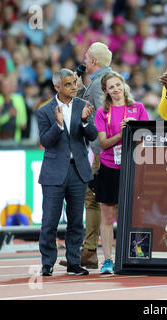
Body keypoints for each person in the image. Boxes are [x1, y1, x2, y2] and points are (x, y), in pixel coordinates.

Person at [37, 68, 97, 276]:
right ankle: (47, 262)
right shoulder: (44, 111)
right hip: (53, 172)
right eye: (69, 84)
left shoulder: (84, 106)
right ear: (57, 87)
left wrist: (85, 121)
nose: (74, 87)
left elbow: (93, 135)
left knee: (75, 221)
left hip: (78, 172)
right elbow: (45, 141)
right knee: (50, 221)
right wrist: (59, 125)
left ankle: (73, 262)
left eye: (75, 83)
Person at [59, 42, 113, 269]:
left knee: (95, 201)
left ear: (94, 62)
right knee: (99, 201)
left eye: (87, 56)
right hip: (106, 149)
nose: (83, 58)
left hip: (104, 151)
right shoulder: (104, 79)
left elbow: (102, 116)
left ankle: (90, 251)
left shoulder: (101, 84)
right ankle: (90, 251)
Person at [94, 71, 149, 274]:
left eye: (118, 85)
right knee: (107, 217)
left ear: (124, 85)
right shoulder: (102, 113)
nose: (116, 90)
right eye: (111, 87)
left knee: (135, 214)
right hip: (109, 167)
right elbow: (103, 143)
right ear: (106, 92)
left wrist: (134, 132)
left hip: (133, 167)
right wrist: (121, 134)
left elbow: (146, 140)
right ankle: (108, 260)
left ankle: (135, 255)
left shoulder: (138, 108)